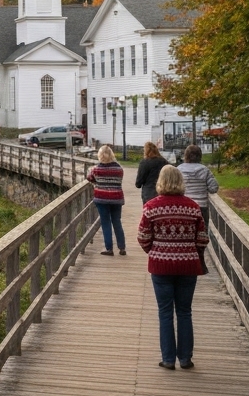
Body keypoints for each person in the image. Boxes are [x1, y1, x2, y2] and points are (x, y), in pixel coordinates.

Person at [138, 165, 209, 370]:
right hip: (188, 266)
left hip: (161, 266)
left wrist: (155, 251)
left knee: (165, 312)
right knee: (185, 312)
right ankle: (185, 359)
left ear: (161, 181)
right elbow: (202, 239)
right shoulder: (193, 207)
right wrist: (189, 251)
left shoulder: (151, 207)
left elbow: (143, 237)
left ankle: (168, 359)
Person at [88, 144, 126, 256]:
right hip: (116, 198)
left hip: (102, 198)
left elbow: (90, 178)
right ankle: (122, 247)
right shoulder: (119, 169)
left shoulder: (96, 169)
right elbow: (119, 180)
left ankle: (109, 248)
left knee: (105, 222)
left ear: (100, 155)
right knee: (117, 221)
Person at [179, 144, 220, 209]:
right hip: (201, 206)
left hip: (184, 206)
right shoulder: (205, 170)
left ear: (185, 156)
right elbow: (214, 188)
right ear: (200, 156)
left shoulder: (179, 170)